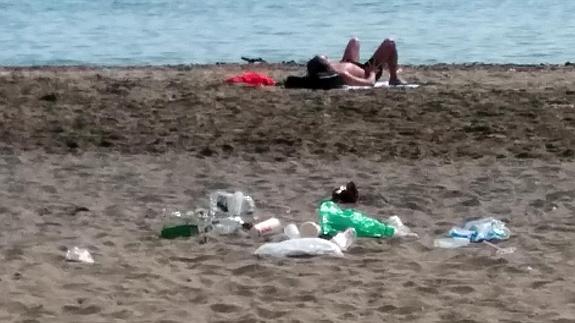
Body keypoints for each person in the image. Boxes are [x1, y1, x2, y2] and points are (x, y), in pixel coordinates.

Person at [306, 37, 403, 86]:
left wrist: (345, 62)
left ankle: (390, 66)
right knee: (390, 43)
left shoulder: (322, 69)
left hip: (350, 63)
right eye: (326, 59)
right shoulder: (342, 74)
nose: (328, 58)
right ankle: (394, 78)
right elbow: (369, 83)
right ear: (326, 65)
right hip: (367, 71)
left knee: (354, 41)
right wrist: (372, 72)